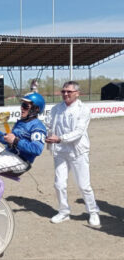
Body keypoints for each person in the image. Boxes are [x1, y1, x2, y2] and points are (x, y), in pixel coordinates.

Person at [45, 81, 100, 226]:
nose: (65, 94)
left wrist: (60, 138)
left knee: (84, 185)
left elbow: (79, 132)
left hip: (78, 152)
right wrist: (43, 134)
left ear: (77, 93)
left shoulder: (83, 110)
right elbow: (48, 124)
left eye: (69, 91)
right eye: (63, 91)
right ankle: (64, 212)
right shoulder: (56, 108)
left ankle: (93, 211)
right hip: (60, 152)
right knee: (59, 184)